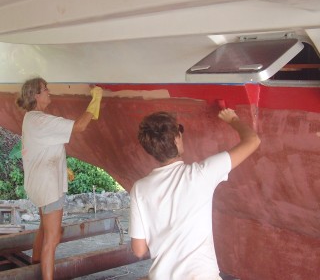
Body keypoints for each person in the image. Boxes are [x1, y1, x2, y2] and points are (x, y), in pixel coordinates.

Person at [130, 109, 261, 280]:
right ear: (177, 139)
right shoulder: (201, 174)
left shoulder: (139, 189)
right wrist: (233, 119)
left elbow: (138, 250)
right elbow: (253, 140)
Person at [16, 77, 103, 280]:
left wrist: (62, 167)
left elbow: (46, 146)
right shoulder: (42, 121)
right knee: (53, 239)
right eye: (45, 89)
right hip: (49, 188)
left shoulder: (31, 118)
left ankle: (35, 265)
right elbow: (80, 126)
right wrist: (96, 97)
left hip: (37, 184)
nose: (49, 92)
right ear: (36, 96)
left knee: (43, 228)